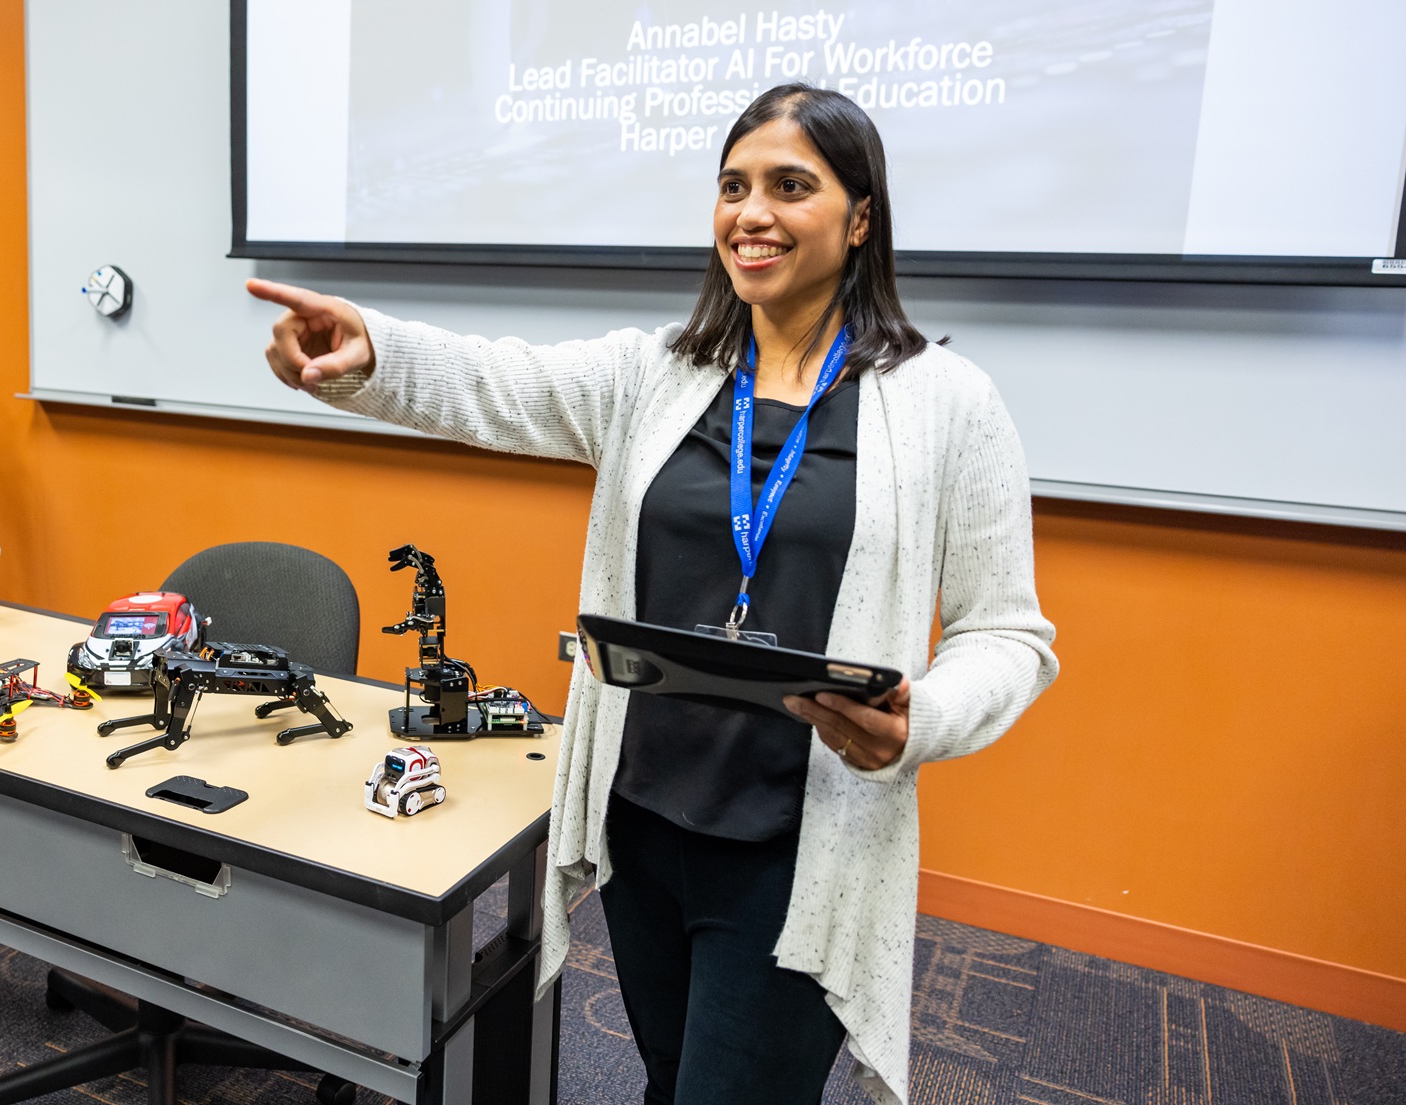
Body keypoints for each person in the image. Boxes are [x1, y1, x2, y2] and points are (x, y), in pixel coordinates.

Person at [248, 83, 1056, 1105]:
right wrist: (373, 351)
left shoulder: (947, 404)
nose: (750, 213)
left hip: (798, 845)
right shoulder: (663, 374)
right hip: (644, 819)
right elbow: (501, 382)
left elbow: (1009, 633)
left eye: (790, 186)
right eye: (732, 186)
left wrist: (920, 721)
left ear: (860, 220)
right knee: (671, 1075)